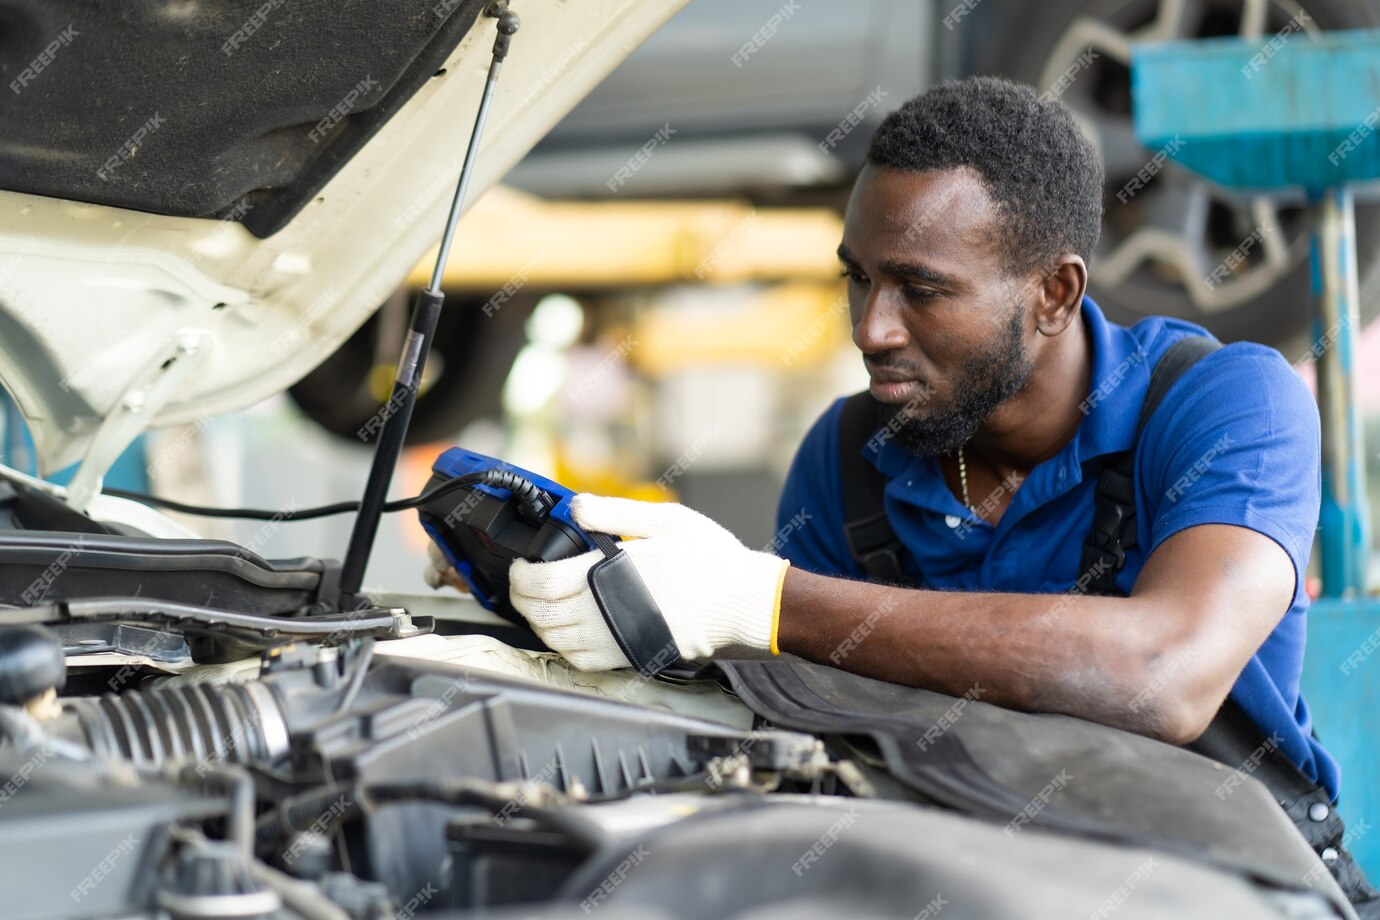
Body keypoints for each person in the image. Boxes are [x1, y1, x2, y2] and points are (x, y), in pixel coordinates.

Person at [440, 77, 1374, 909]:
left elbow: (1166, 674)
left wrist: (755, 600)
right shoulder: (849, 459)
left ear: (1054, 292)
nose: (871, 328)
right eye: (857, 278)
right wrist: (588, 607)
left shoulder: (1224, 403)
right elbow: (808, 714)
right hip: (969, 872)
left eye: (920, 289)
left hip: (1228, 885)